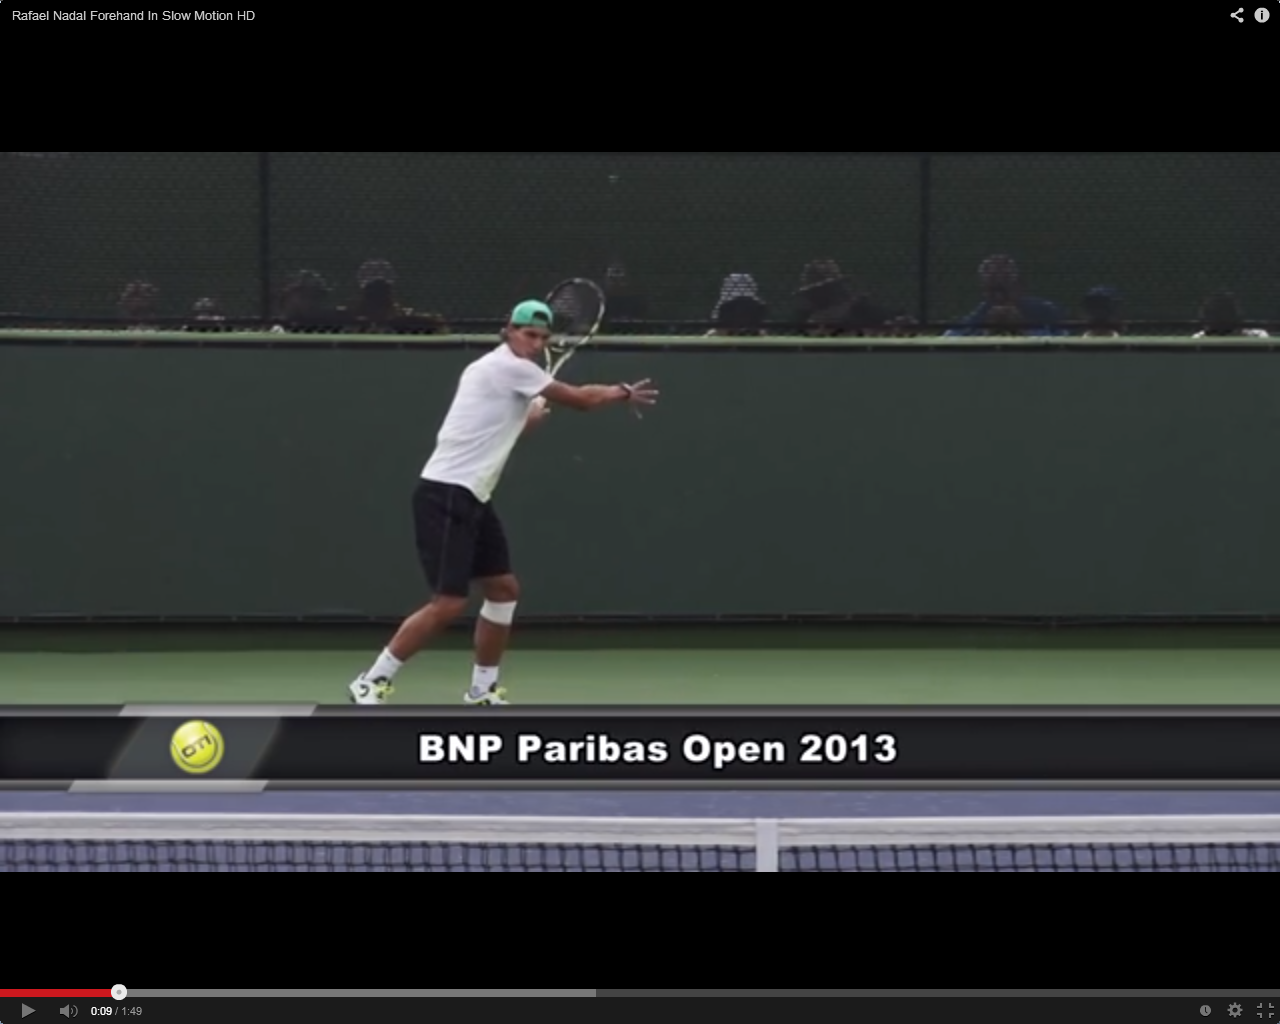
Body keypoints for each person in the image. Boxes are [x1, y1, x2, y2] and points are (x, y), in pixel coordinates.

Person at [348, 298, 658, 706]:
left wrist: (529, 418)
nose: (537, 344)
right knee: (448, 603)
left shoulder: (497, 372)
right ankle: (372, 680)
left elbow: (499, 430)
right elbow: (582, 400)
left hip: (474, 494)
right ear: (508, 330)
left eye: (543, 338)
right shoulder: (508, 368)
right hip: (446, 493)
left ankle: (483, 689)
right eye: (529, 334)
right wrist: (622, 391)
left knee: (503, 589)